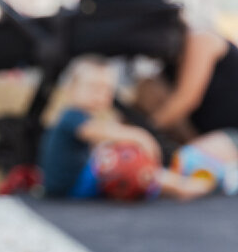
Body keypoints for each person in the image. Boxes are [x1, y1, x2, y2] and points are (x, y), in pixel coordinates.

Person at [39, 58, 229, 200]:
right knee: (127, 162)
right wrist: (141, 137)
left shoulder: (85, 117)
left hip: (72, 185)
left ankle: (205, 175)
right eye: (93, 88)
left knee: (120, 157)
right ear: (71, 89)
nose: (100, 95)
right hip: (70, 187)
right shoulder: (72, 116)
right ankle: (180, 186)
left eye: (106, 89)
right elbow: (109, 134)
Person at [150, 27, 238, 138]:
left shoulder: (201, 40)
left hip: (230, 135)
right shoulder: (168, 67)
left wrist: (147, 128)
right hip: (205, 135)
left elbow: (186, 100)